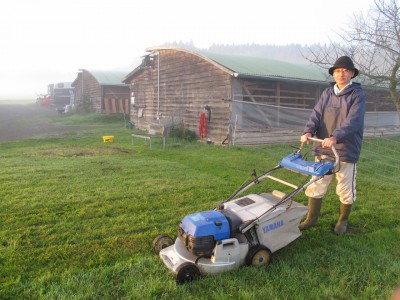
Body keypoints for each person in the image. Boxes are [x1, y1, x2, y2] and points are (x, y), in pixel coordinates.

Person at [299, 56, 366, 234]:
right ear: (333, 74)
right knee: (316, 183)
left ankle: (342, 222)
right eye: (337, 71)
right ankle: (311, 219)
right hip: (323, 148)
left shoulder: (357, 94)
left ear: (352, 73)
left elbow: (354, 120)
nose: (341, 74)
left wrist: (336, 136)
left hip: (345, 150)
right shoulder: (327, 92)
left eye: (345, 71)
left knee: (345, 187)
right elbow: (316, 114)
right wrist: (308, 131)